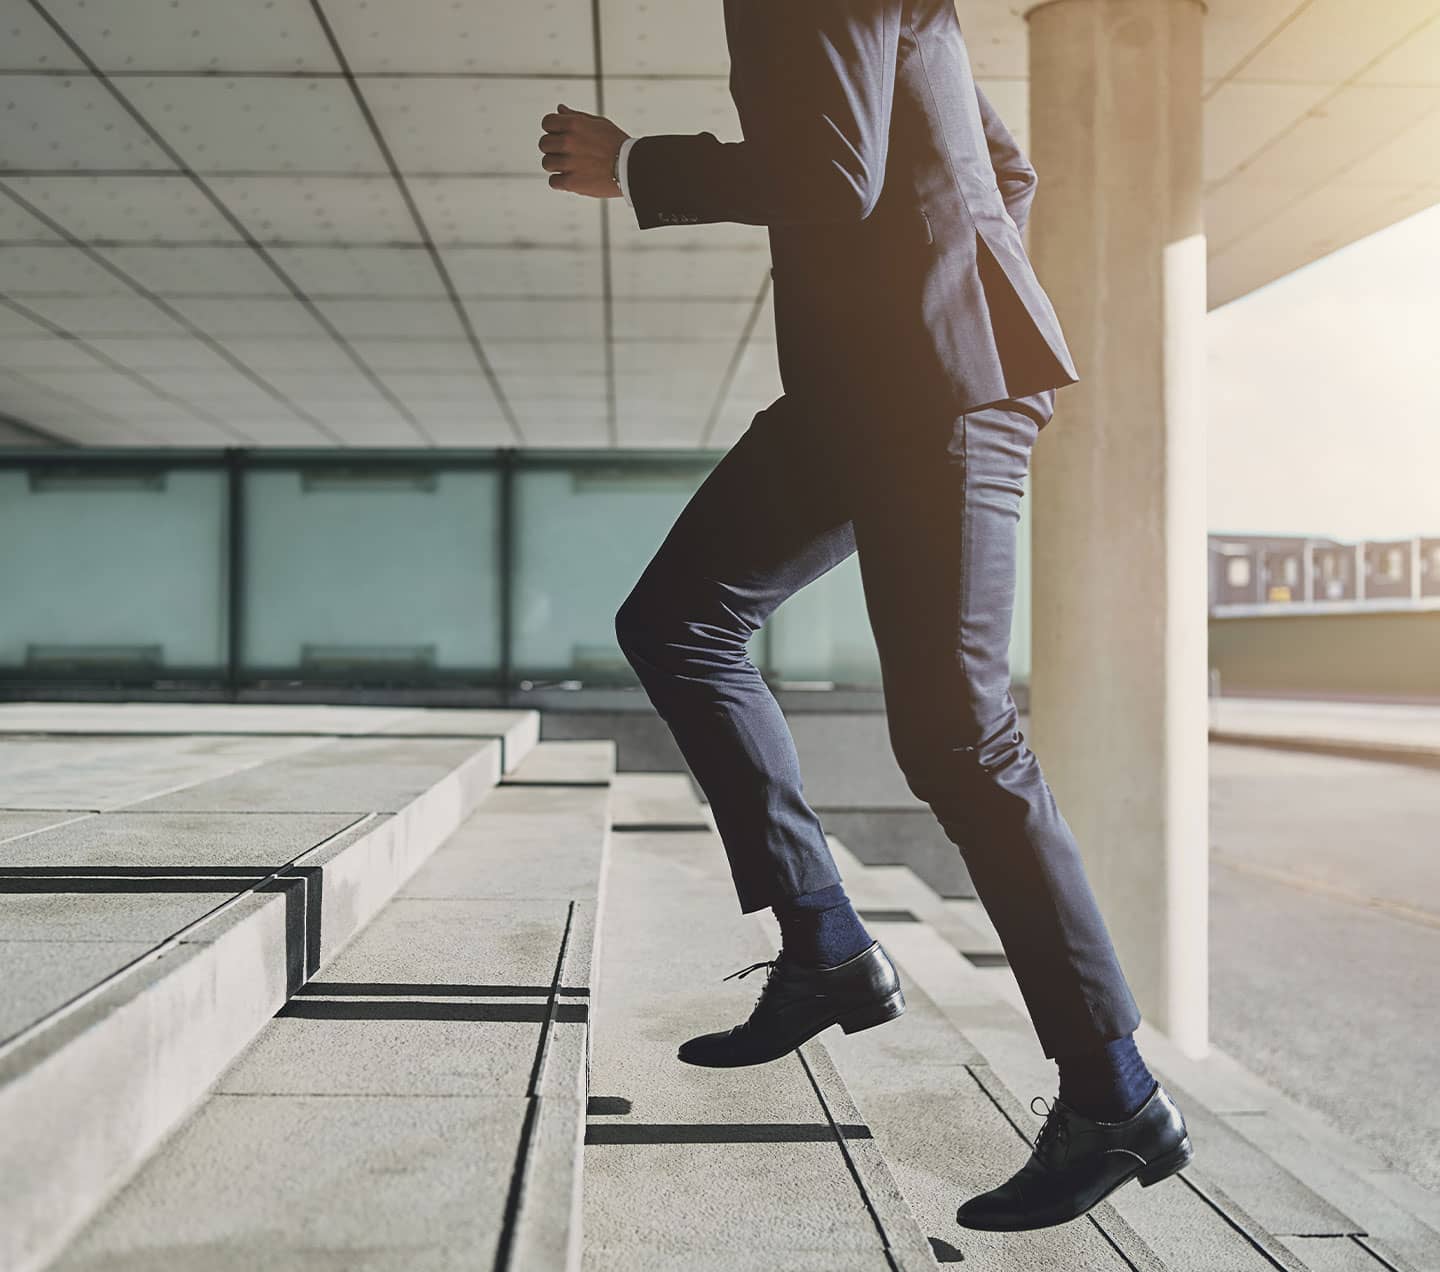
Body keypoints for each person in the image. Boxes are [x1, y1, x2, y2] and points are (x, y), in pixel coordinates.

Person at [537, 0, 1192, 1232]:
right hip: (870, 388)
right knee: (677, 620)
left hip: (935, 392)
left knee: (957, 735)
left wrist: (635, 165)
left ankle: (1115, 1095)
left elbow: (836, 173)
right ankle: (827, 942)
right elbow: (1004, 165)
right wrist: (948, 293)